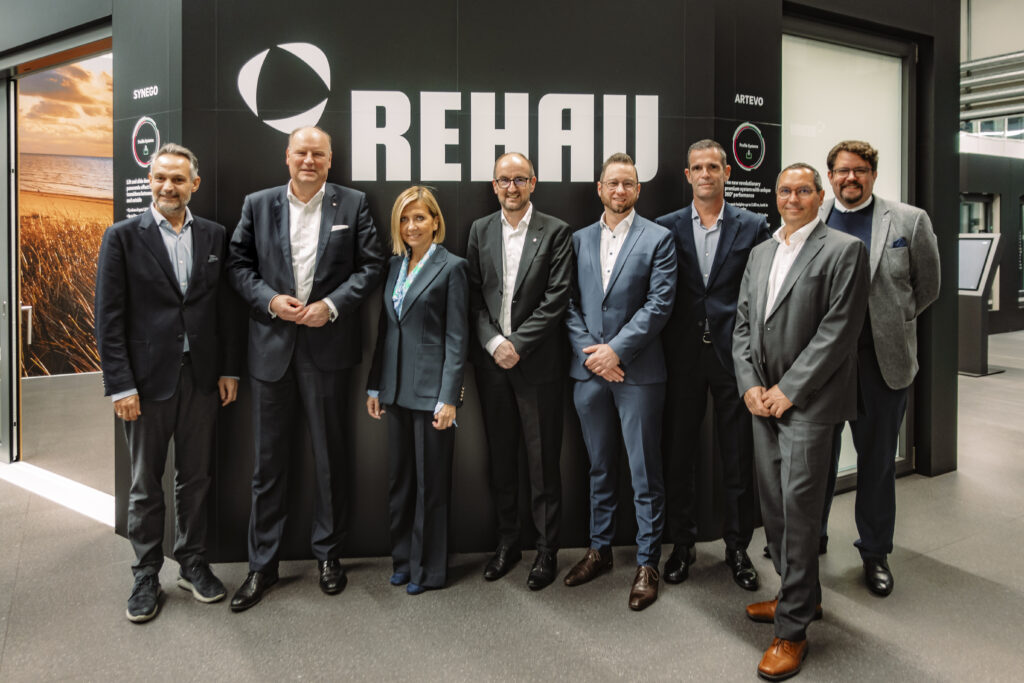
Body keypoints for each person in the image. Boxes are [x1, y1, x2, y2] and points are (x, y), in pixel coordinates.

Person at [227, 126, 384, 611]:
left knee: (330, 459)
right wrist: (269, 300)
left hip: (328, 349)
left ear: (330, 159)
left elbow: (372, 265)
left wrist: (331, 306)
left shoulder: (353, 204)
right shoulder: (258, 204)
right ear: (287, 156)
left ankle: (329, 556)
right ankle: (262, 565)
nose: (309, 160)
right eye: (302, 152)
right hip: (271, 350)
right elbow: (237, 265)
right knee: (268, 464)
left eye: (318, 153)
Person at [733, 163, 869, 680]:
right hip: (762, 402)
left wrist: (788, 391)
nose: (793, 198)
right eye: (785, 190)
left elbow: (838, 331)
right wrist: (750, 384)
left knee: (800, 512)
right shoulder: (762, 252)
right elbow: (742, 324)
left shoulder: (843, 250)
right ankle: (800, 597)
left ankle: (791, 631)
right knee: (775, 509)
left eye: (803, 191)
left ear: (820, 195)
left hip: (808, 404)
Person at [95, 143, 239, 623]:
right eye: (160, 177)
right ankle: (145, 574)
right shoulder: (122, 237)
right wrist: (120, 385)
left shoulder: (215, 235)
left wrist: (228, 369)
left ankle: (192, 563)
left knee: (195, 478)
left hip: (201, 379)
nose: (167, 187)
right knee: (144, 484)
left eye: (178, 179)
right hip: (144, 383)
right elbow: (108, 319)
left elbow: (224, 309)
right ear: (150, 180)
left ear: (194, 184)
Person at [819, 140, 940, 596]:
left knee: (877, 463)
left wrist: (891, 324)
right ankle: (811, 537)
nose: (851, 178)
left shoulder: (909, 221)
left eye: (860, 170)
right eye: (843, 170)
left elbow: (928, 287)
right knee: (816, 459)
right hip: (824, 366)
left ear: (872, 174)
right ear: (830, 176)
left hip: (882, 365)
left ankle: (874, 552)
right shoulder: (812, 219)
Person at [563, 152, 677, 611]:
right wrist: (594, 356)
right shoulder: (578, 240)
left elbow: (659, 304)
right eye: (612, 183)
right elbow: (567, 304)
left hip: (638, 373)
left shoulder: (659, 238)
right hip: (590, 373)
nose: (619, 190)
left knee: (644, 471)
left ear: (638, 189)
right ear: (600, 188)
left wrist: (616, 351)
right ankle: (600, 549)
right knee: (599, 466)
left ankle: (648, 562)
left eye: (628, 183)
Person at [656, 139, 770, 590]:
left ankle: (737, 548)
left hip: (734, 357)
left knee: (737, 456)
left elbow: (762, 291)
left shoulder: (753, 225)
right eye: (698, 168)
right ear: (688, 175)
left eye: (713, 167)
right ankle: (682, 545)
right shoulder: (665, 228)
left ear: (727, 173)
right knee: (678, 454)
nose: (706, 174)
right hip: (681, 357)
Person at [466, 152, 573, 590]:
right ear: (494, 186)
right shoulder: (480, 230)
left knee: (543, 464)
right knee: (501, 461)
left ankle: (547, 550)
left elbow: (557, 297)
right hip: (493, 366)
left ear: (533, 183)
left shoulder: (556, 231)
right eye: (504, 180)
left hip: (538, 365)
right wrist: (495, 344)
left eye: (519, 180)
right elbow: (473, 297)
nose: (512, 187)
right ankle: (508, 543)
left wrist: (518, 345)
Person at [366, 186, 468, 595]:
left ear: (435, 222)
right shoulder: (395, 266)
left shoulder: (452, 267)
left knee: (431, 486)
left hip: (431, 395)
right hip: (394, 390)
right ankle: (404, 561)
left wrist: (449, 397)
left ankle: (429, 570)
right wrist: (375, 385)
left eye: (420, 218)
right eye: (405, 219)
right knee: (400, 482)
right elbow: (385, 330)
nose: (412, 226)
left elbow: (457, 338)